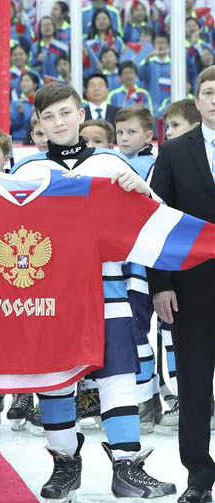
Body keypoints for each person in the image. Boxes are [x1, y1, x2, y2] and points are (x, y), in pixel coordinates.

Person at [11, 82, 177, 503]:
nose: (59, 122)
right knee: (57, 377)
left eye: (66, 113)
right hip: (51, 296)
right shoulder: (25, 172)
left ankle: (126, 466)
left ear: (81, 114)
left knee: (117, 375)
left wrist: (139, 191)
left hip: (109, 289)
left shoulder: (111, 163)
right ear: (40, 125)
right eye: (49, 117)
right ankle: (65, 463)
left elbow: (154, 217)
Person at [148, 65, 215, 503]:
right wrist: (160, 285)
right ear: (197, 99)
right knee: (193, 386)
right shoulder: (173, 154)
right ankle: (198, 475)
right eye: (210, 92)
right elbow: (156, 223)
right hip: (192, 291)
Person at [113, 106, 160, 434]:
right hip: (119, 259)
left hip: (142, 262)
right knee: (125, 332)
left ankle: (148, 398)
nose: (124, 138)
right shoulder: (111, 163)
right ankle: (140, 396)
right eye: (120, 133)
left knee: (138, 330)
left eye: (131, 132)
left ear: (148, 135)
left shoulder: (154, 165)